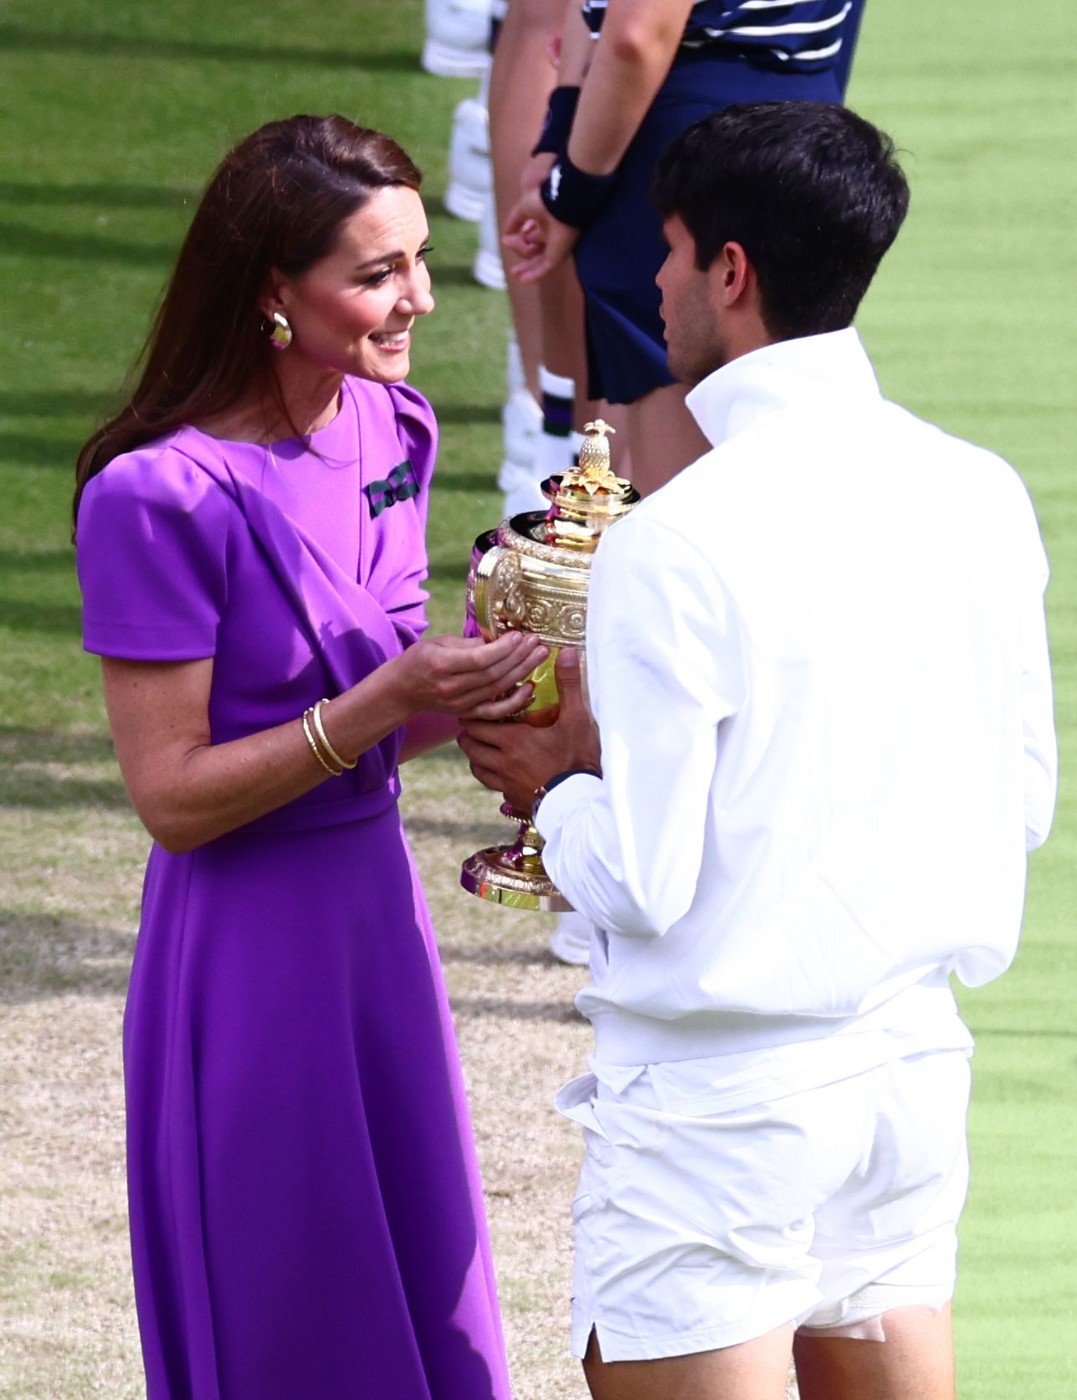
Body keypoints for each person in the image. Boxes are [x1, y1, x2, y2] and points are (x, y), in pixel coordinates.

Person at [460, 101, 1057, 1398]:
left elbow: (643, 878)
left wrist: (554, 790)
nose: (657, 283)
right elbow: (1020, 804)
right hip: (908, 1079)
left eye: (671, 252)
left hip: (719, 1111)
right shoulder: (981, 490)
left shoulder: (675, 541)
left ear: (730, 271)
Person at [72, 114, 546, 1398]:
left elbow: (405, 697)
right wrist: (389, 696)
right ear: (272, 290)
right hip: (246, 952)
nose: (418, 298)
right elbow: (171, 799)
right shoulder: (154, 497)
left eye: (420, 260)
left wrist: (528, 657)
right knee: (290, 1301)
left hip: (376, 924)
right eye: (377, 272)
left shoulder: (395, 427)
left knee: (428, 1288)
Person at [504, 0, 866, 495]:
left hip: (686, 123)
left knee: (677, 496)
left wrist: (571, 188)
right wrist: (564, 132)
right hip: (776, 100)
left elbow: (635, 32)